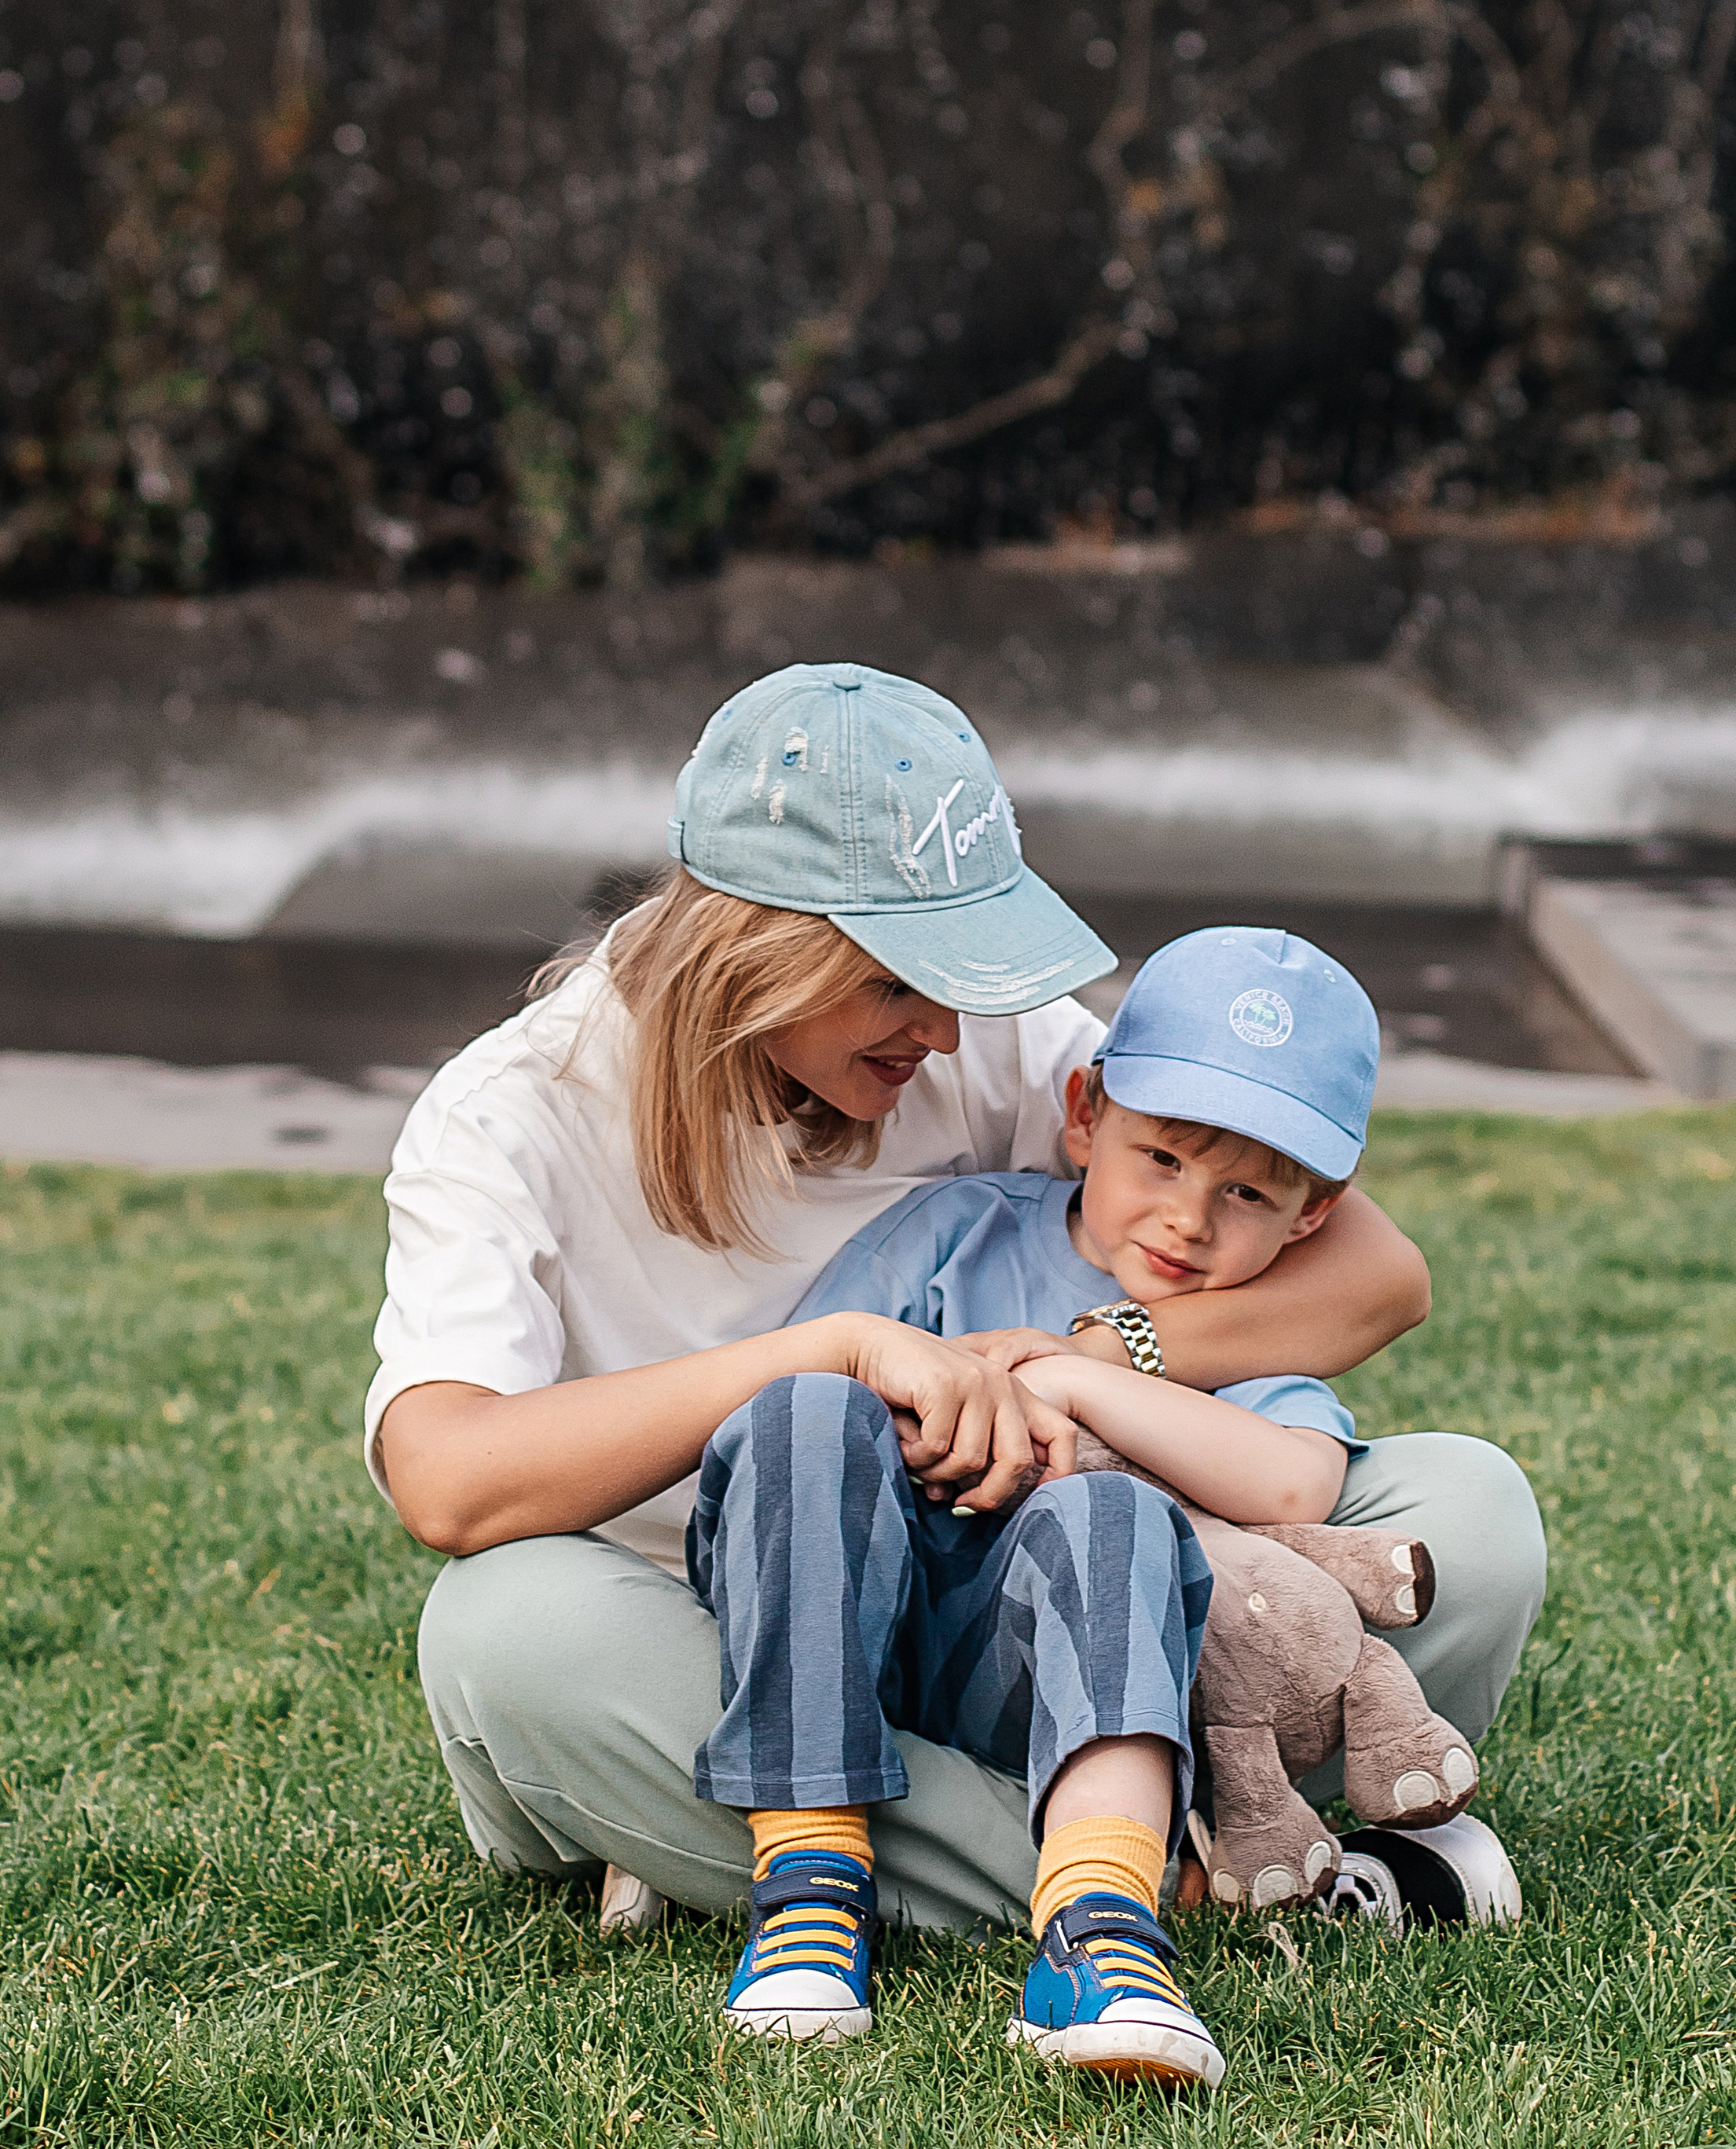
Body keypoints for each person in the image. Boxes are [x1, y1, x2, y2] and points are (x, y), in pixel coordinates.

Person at [368, 663, 1543, 2027]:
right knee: (505, 1634)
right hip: (706, 1637)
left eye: (957, 967)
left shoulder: (979, 1034)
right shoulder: (507, 1116)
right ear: (752, 954)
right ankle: (1158, 1867)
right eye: (894, 982)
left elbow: (1376, 1272)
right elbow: (447, 1479)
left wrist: (1102, 1349)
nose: (943, 1027)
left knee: (1472, 1513)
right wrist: (833, 1353)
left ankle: (752, 1853)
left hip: (1025, 1605)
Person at [777, 926, 1494, 2062]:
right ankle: (824, 1873)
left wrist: (1076, 1377)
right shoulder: (961, 1234)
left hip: (1088, 1690)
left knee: (1112, 1521)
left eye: (1246, 1192)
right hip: (892, 1632)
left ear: (1313, 1215)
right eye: (1160, 1159)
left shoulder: (1237, 1334)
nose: (1189, 1220)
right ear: (1084, 1115)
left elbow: (1296, 1478)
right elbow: (804, 1410)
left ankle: (1107, 1902)